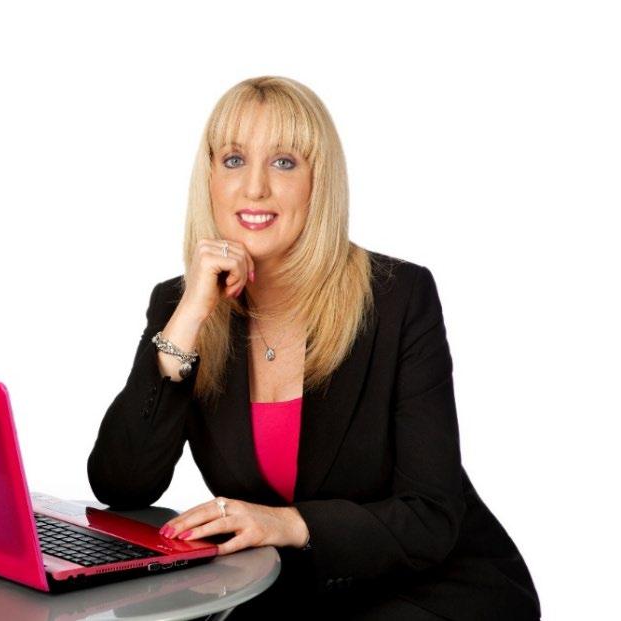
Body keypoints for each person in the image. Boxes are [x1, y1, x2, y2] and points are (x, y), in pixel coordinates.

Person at [86, 76, 541, 620]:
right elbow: (121, 486)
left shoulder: (398, 298)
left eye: (284, 163)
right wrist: (187, 322)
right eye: (234, 160)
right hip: (301, 593)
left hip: (435, 587)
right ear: (209, 177)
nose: (254, 188)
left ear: (318, 183)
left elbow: (430, 516)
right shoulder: (182, 306)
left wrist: (287, 523)